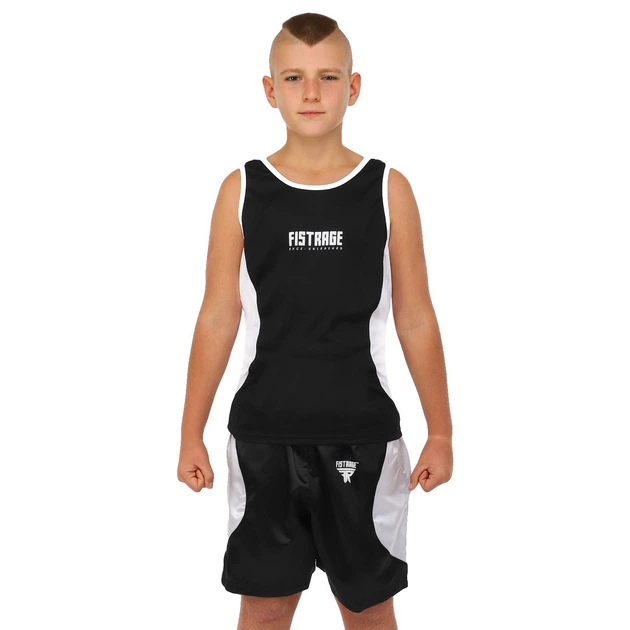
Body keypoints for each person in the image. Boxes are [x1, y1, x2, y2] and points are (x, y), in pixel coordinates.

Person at [177, 11, 453, 630]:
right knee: (265, 611)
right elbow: (218, 317)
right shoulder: (241, 189)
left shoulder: (388, 189)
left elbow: (415, 317)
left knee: (369, 611)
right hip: (263, 439)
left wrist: (441, 432)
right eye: (293, 78)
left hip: (364, 438)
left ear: (352, 88)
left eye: (327, 78)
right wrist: (191, 431)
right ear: (269, 89)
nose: (310, 93)